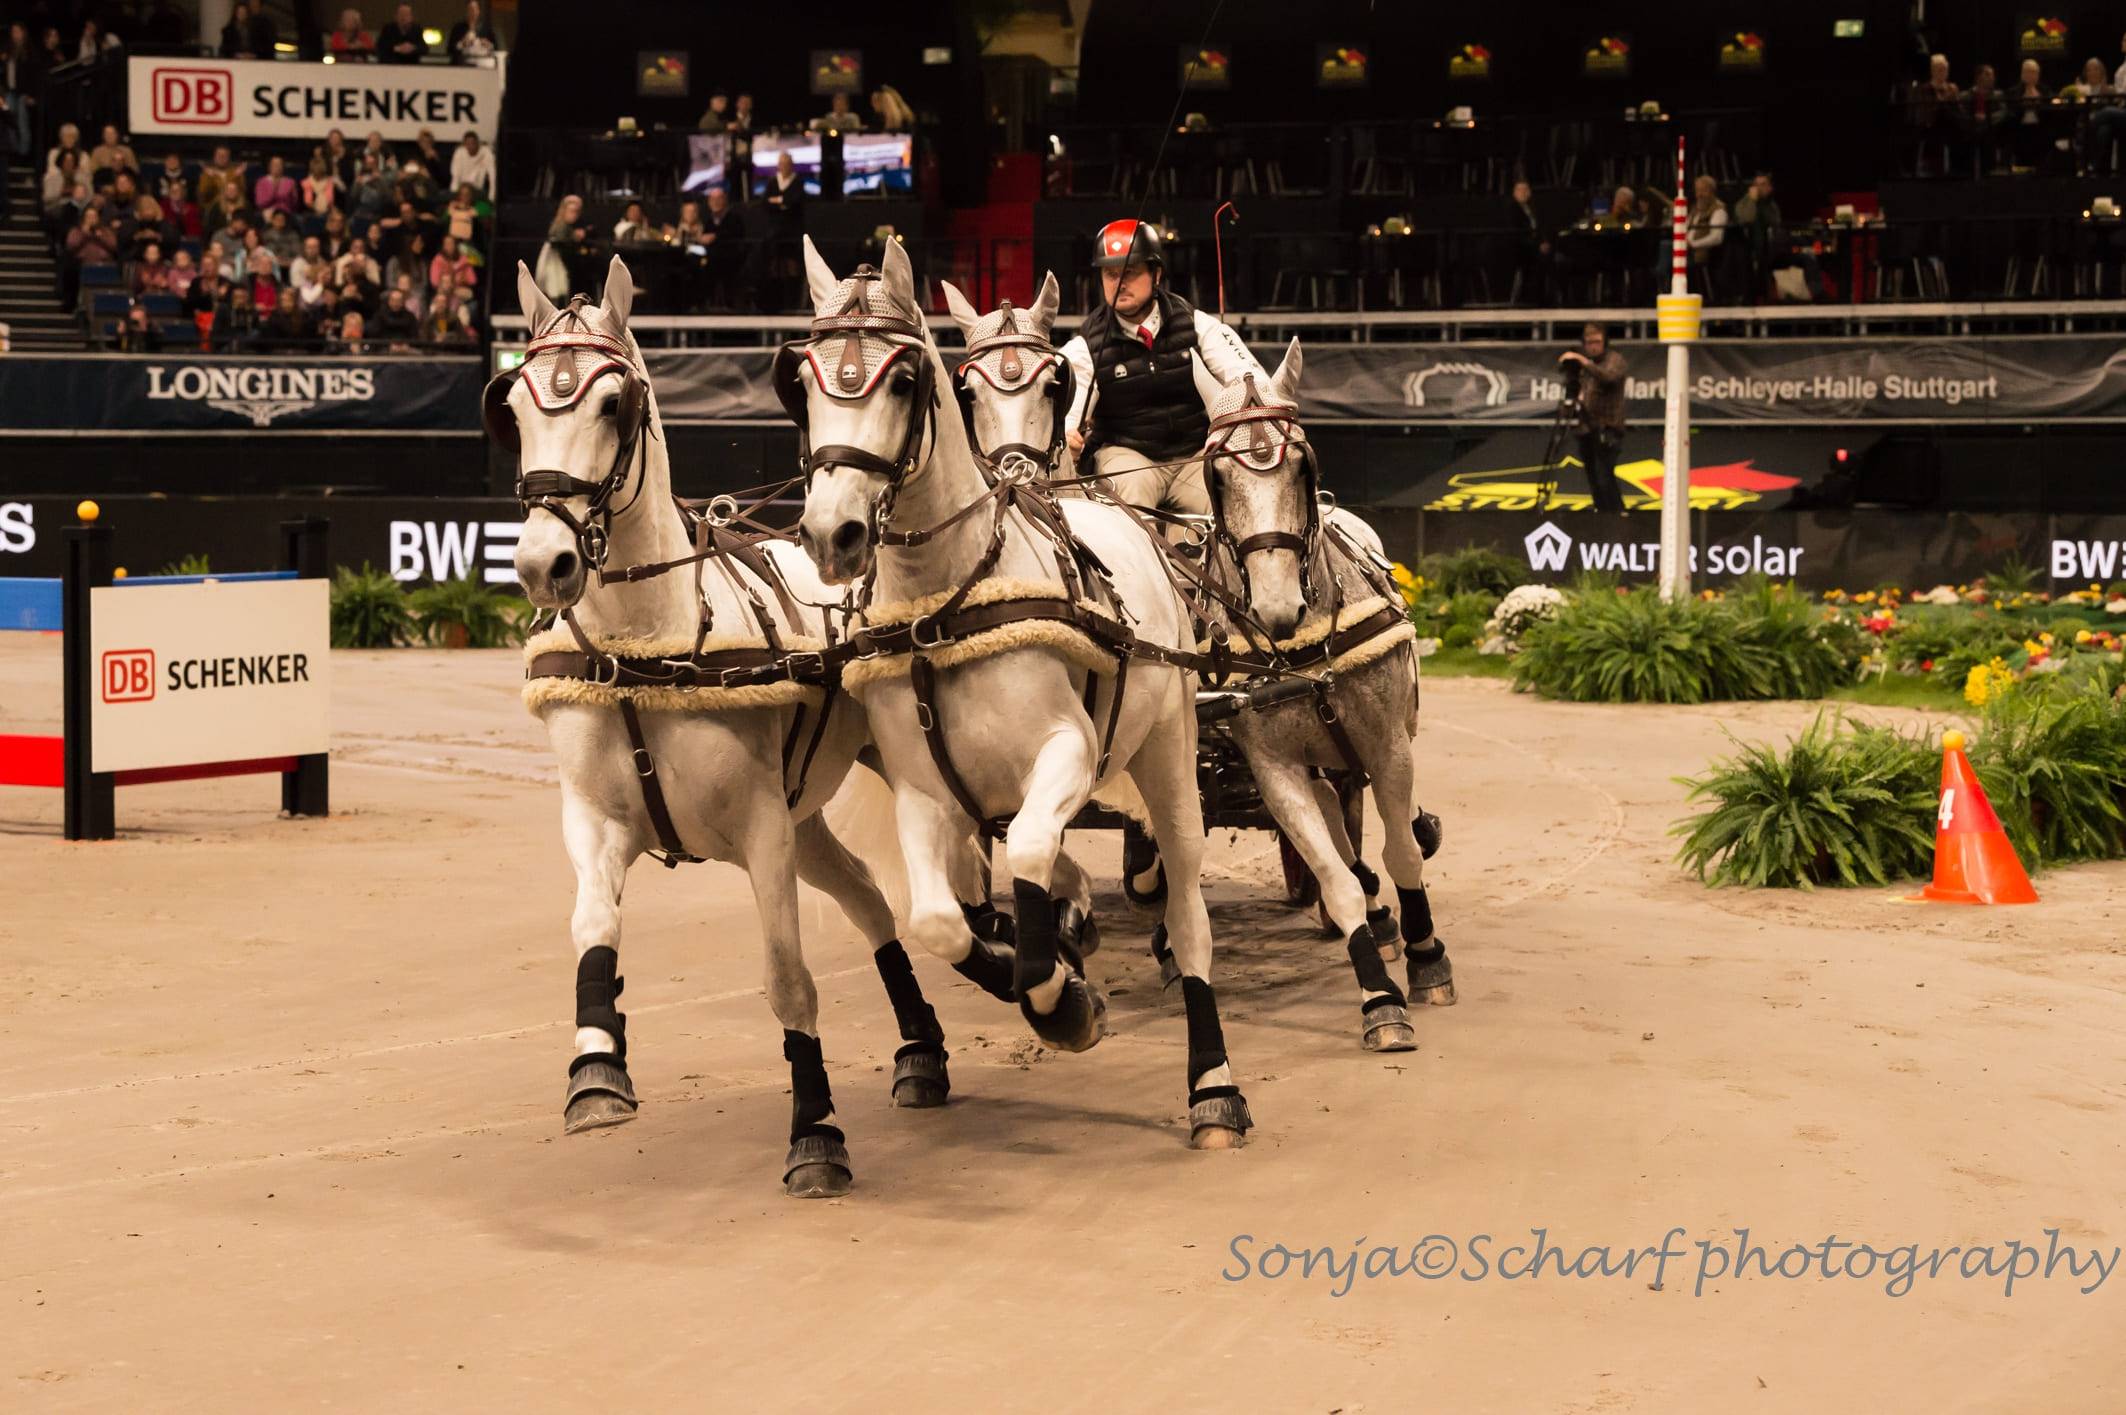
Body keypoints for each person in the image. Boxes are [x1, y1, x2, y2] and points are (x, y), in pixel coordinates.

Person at [1058, 218, 1267, 514]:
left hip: (1193, 457)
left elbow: (1249, 378)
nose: (1119, 284)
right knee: (1131, 493)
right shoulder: (1085, 346)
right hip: (1128, 456)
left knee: (1227, 501)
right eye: (1110, 274)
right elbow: (1069, 412)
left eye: (1129, 273)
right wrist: (1068, 434)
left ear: (1155, 275)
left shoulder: (1196, 325)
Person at [1558, 322, 1628, 515]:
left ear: (1605, 342)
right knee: (1592, 476)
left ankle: (1617, 513)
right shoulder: (1583, 367)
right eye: (1589, 342)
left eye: (1597, 342)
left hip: (1608, 427)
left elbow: (1608, 378)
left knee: (1604, 473)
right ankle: (1601, 512)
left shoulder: (1614, 360)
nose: (1593, 346)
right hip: (1586, 427)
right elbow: (1577, 392)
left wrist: (1582, 360)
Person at [1506, 178, 1550, 305]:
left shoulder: (1533, 208)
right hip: (1520, 248)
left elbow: (1540, 228)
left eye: (1526, 189)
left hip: (1534, 246)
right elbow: (1517, 234)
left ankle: (1544, 299)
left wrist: (1544, 242)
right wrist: (1537, 246)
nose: (1523, 192)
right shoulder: (1512, 210)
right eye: (1520, 190)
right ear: (1514, 192)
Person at [1685, 174, 1727, 301]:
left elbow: (1716, 238)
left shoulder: (1718, 210)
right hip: (1687, 249)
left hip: (1704, 253)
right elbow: (1685, 228)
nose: (1699, 194)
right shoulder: (1694, 210)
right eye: (1697, 190)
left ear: (1712, 191)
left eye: (1703, 190)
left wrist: (1692, 244)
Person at [449, 131, 493, 198]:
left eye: (473, 143)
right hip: (461, 190)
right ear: (464, 145)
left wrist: (491, 197)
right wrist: (455, 193)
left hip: (477, 190)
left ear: (478, 143)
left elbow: (492, 175)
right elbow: (455, 175)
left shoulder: (486, 152)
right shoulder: (459, 152)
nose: (471, 146)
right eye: (468, 144)